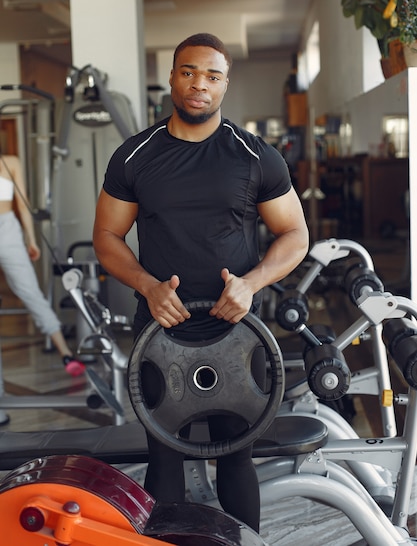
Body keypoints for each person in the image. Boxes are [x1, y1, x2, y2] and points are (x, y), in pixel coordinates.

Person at [93, 32, 309, 532]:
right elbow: (106, 236)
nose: (199, 85)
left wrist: (251, 282)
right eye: (189, 72)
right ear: (172, 77)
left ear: (225, 85)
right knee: (165, 461)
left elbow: (294, 234)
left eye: (212, 76)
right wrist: (148, 285)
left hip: (237, 333)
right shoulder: (134, 155)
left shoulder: (255, 156)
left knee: (236, 457)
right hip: (160, 334)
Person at [0, 151, 85, 377]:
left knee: (30, 292)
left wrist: (31, 238)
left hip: (8, 230)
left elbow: (23, 202)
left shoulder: (11, 162)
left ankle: (65, 352)